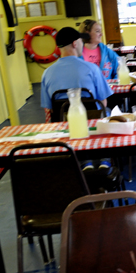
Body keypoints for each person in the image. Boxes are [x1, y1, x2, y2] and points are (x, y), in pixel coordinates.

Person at [40, 27, 114, 170]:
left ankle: (83, 161)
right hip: (92, 125)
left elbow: (48, 109)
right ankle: (104, 160)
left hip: (64, 126)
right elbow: (103, 102)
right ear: (75, 44)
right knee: (107, 111)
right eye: (80, 41)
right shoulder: (91, 68)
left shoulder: (47, 73)